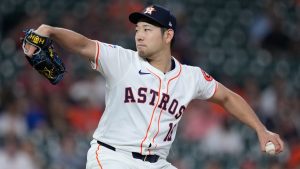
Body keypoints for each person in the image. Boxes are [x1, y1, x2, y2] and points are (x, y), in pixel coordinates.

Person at [23, 4, 284, 169]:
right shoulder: (121, 60)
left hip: (157, 164)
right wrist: (52, 30)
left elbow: (227, 98)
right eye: (138, 28)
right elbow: (83, 44)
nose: (139, 34)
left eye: (148, 29)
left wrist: (261, 130)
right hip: (113, 158)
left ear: (168, 35)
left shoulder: (190, 77)